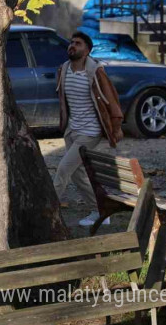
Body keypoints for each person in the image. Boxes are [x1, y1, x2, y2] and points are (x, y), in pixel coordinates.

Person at [53, 32, 124, 227]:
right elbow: (63, 102)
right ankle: (101, 210)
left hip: (90, 132)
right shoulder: (64, 69)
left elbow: (112, 100)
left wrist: (116, 127)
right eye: (71, 42)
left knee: (63, 170)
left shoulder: (95, 72)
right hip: (72, 130)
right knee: (77, 174)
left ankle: (46, 211)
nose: (72, 46)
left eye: (77, 43)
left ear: (87, 50)